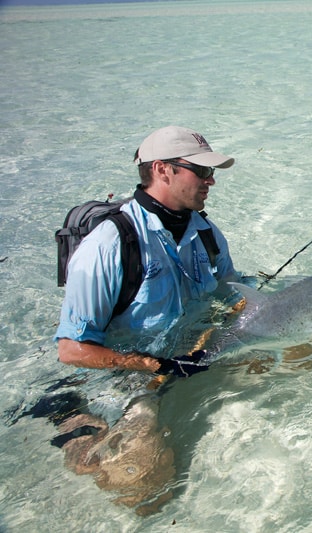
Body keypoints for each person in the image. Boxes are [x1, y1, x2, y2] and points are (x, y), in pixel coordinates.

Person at [51, 125, 239, 513]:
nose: (212, 180)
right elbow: (70, 350)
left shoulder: (206, 232)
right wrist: (151, 365)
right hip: (117, 379)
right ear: (162, 169)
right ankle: (74, 428)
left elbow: (232, 293)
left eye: (211, 172)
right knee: (147, 491)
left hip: (187, 358)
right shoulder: (110, 241)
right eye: (201, 171)